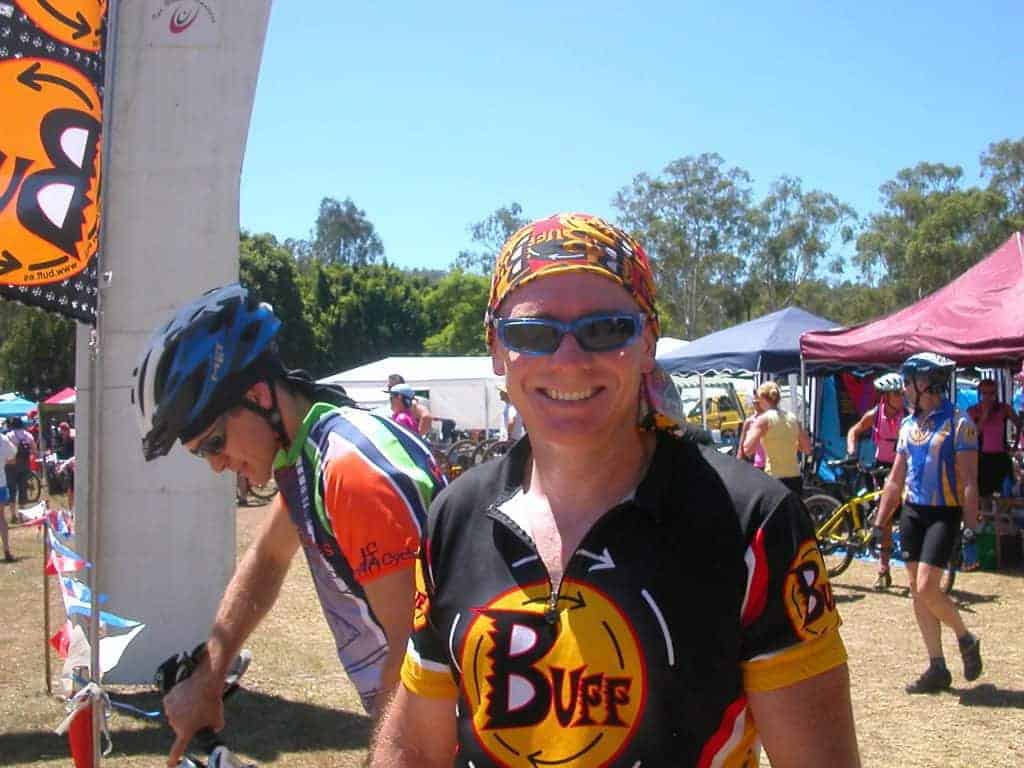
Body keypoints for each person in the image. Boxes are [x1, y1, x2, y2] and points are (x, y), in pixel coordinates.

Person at [371, 212, 859, 767]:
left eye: (606, 329)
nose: (570, 361)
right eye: (533, 333)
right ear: (497, 351)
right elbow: (413, 749)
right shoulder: (454, 517)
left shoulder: (753, 521)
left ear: (648, 340)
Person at [131, 284, 446, 766]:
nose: (215, 465)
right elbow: (267, 559)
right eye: (199, 454)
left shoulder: (349, 472)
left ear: (258, 395)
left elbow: (412, 660)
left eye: (214, 443)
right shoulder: (306, 458)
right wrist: (208, 678)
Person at [874, 353, 983, 694]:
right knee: (916, 592)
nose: (904, 389)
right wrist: (880, 520)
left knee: (926, 588)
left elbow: (968, 482)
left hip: (943, 513)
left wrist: (970, 529)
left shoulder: (958, 423)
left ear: (925, 384)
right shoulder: (909, 425)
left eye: (908, 382)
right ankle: (937, 666)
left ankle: (965, 637)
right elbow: (895, 479)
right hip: (913, 513)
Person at [845, 372, 908, 588]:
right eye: (897, 394)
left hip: (904, 470)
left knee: (908, 516)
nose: (902, 397)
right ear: (886, 396)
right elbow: (854, 430)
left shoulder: (908, 415)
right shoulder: (875, 414)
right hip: (882, 469)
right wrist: (852, 451)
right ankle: (883, 570)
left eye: (902, 393)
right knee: (887, 520)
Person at [741, 381, 812, 494]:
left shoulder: (763, 420)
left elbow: (748, 449)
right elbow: (807, 449)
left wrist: (750, 431)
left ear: (763, 398)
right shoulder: (792, 418)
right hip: (795, 477)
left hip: (775, 479)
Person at [967, 377, 1021, 507]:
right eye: (984, 393)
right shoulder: (973, 410)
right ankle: (987, 521)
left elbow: (1019, 423)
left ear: (996, 394)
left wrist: (1015, 444)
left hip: (1001, 456)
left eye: (991, 393)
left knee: (1005, 493)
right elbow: (971, 435)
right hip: (982, 458)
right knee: (985, 495)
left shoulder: (1004, 409)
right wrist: (984, 416)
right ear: (979, 394)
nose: (988, 397)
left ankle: (1000, 520)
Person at [4, 416, 36, 524]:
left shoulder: (9, 435)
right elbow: (34, 450)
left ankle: (13, 515)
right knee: (23, 489)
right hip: (24, 465)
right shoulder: (28, 435)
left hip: (11, 466)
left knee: (12, 490)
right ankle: (22, 515)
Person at [736, 390, 766, 469]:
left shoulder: (772, 419)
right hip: (757, 464)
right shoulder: (749, 422)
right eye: (754, 402)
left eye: (758, 401)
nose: (756, 404)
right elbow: (741, 445)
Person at [0, 430, 17, 561]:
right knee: (1, 517)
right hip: (0, 483)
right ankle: (6, 549)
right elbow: (12, 459)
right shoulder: (4, 440)